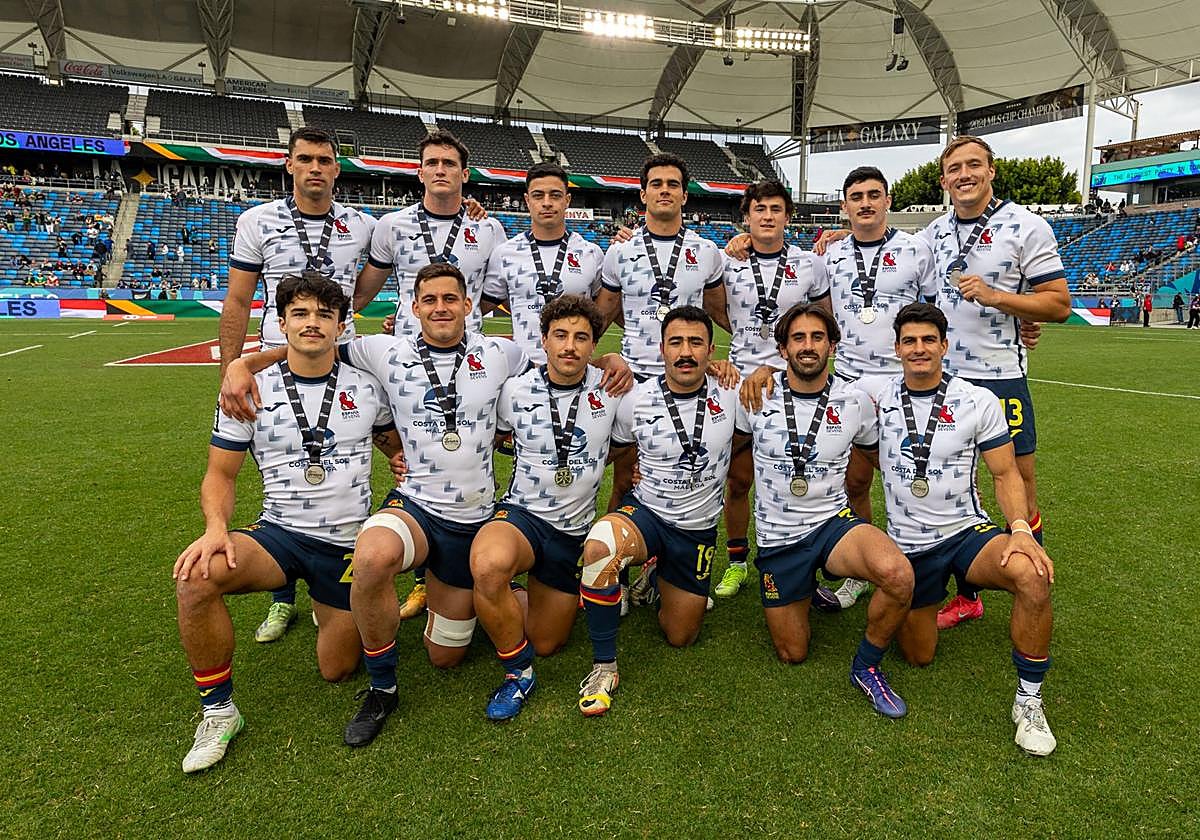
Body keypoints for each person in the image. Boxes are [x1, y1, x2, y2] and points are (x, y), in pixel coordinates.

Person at [174, 273, 399, 773]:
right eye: (300, 314)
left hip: (345, 545)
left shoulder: (368, 388)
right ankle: (218, 711)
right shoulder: (246, 391)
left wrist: (399, 459)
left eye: (324, 314)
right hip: (278, 535)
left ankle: (328, 605)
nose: (312, 323)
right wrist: (215, 527)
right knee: (195, 576)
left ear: (342, 326)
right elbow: (219, 474)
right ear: (281, 324)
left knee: (336, 669)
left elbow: (391, 442)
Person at [220, 126, 378, 643]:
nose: (315, 167)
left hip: (343, 357)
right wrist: (232, 366)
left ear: (337, 168)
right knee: (281, 472)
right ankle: (283, 593)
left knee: (349, 458)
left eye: (325, 160)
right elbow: (240, 301)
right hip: (275, 361)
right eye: (305, 159)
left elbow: (364, 290)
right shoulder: (257, 220)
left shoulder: (362, 225)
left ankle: (341, 578)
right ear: (289, 165)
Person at [879, 303, 1057, 755]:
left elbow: (1005, 474)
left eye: (927, 340)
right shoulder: (875, 398)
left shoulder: (976, 399)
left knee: (1032, 576)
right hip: (908, 549)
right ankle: (928, 601)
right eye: (909, 341)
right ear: (896, 348)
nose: (919, 349)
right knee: (918, 655)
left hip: (965, 535)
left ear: (944, 345)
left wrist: (1019, 527)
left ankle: (1029, 701)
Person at [917, 136, 1068, 628]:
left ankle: (1033, 579)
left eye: (973, 165)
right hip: (946, 380)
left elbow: (1058, 304)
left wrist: (1001, 298)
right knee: (958, 485)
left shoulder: (1026, 225)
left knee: (1021, 483)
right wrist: (836, 235)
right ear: (943, 180)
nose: (964, 174)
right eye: (954, 168)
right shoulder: (932, 233)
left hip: (1002, 378)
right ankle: (968, 595)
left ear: (991, 171)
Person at [735, 302, 914, 716]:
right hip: (780, 539)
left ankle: (866, 666)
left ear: (832, 346)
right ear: (781, 349)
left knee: (898, 575)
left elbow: (878, 458)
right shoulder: (755, 395)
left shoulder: (854, 401)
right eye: (798, 338)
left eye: (817, 337)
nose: (808, 346)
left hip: (833, 525)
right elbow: (727, 456)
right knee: (792, 652)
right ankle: (804, 585)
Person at [350, 130, 499, 621]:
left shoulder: (489, 229)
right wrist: (394, 321)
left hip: (471, 360)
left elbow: (498, 294)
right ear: (420, 171)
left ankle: (491, 556)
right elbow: (363, 292)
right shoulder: (391, 226)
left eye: (449, 163)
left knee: (483, 451)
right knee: (411, 454)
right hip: (410, 361)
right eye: (431, 162)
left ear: (464, 173)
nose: (440, 169)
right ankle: (423, 573)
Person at [470, 295, 634, 721]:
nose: (569, 346)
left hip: (574, 532)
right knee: (488, 565)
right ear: (543, 340)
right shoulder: (514, 390)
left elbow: (632, 433)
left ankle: (513, 598)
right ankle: (517, 674)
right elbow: (494, 437)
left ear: (594, 345)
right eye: (560, 335)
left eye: (582, 338)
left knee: (546, 641)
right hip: (521, 516)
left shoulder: (611, 389)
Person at [576, 306, 739, 716]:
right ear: (662, 349)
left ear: (711, 350)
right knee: (599, 548)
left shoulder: (732, 394)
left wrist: (761, 374)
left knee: (680, 635)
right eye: (676, 343)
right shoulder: (635, 399)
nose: (686, 352)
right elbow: (609, 448)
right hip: (647, 514)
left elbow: (777, 385)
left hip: (696, 530)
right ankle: (604, 666)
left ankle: (653, 576)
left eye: (696, 343)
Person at [710, 180, 831, 598]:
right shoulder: (728, 262)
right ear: (747, 216)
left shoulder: (808, 264)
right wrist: (745, 341)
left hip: (792, 382)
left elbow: (822, 319)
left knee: (797, 475)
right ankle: (738, 562)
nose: (766, 216)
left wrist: (778, 362)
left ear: (788, 216)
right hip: (739, 385)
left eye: (775, 209)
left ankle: (805, 559)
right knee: (739, 480)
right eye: (759, 208)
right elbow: (713, 309)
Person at [593, 154, 726, 520]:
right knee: (623, 479)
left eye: (673, 185)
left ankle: (660, 567)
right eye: (657, 184)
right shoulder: (620, 251)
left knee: (680, 474)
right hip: (632, 379)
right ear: (642, 195)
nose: (664, 191)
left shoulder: (707, 251)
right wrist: (593, 359)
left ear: (685, 196)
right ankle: (616, 564)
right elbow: (602, 317)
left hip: (688, 381)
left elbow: (720, 313)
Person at [479, 162, 605, 364]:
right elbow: (482, 306)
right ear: (527, 201)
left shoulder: (591, 253)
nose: (547, 203)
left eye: (555, 195)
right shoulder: (504, 254)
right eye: (538, 196)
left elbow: (605, 307)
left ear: (567, 200)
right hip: (522, 372)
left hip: (575, 370)